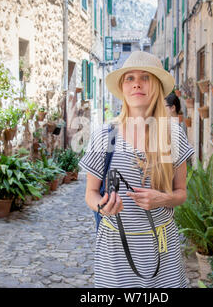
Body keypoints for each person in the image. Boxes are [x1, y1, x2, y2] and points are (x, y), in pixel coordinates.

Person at [79, 51, 194, 288]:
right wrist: (102, 205)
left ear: (157, 87)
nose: (137, 83)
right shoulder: (105, 135)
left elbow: (181, 193)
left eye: (145, 77)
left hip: (162, 247)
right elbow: (90, 193)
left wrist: (163, 198)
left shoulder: (173, 135)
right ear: (122, 87)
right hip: (115, 249)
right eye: (129, 78)